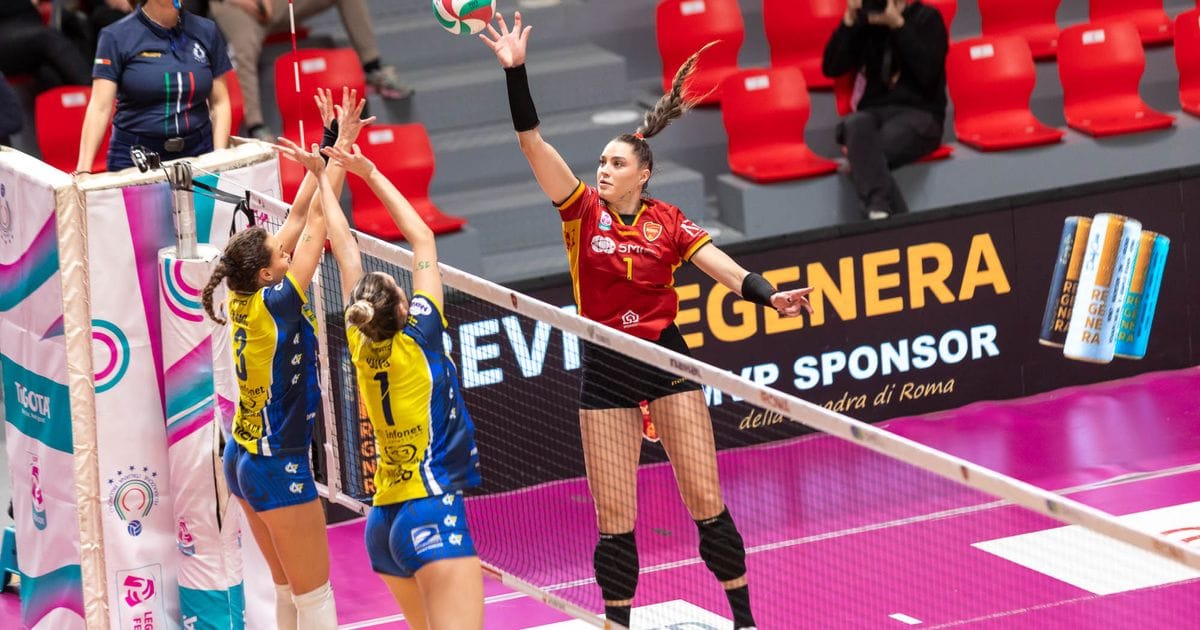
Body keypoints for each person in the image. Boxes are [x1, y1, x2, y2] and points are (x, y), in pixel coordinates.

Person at [480, 12, 814, 630]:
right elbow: (532, 143)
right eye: (601, 162)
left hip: (666, 362)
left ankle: (745, 621)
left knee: (706, 503)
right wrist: (515, 71)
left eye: (615, 163)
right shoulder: (580, 211)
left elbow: (722, 268)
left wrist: (772, 298)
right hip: (607, 371)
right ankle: (618, 623)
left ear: (643, 173)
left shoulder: (669, 221)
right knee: (615, 522)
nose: (603, 170)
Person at [301, 122, 485, 629]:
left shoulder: (360, 342)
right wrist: (368, 172)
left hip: (383, 525)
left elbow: (344, 248)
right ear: (405, 308)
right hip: (430, 508)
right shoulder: (421, 337)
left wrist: (326, 179)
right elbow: (421, 236)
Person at [200, 96, 347, 627]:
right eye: (279, 253)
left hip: (242, 457)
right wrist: (342, 151)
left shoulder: (243, 291)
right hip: (275, 462)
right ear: (267, 273)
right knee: (315, 597)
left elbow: (300, 215)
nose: (286, 250)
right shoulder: (279, 302)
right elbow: (318, 223)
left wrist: (327, 141)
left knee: (288, 590)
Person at [209, 0, 413, 142]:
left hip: (276, 5)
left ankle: (373, 67)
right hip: (234, 7)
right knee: (243, 48)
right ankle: (256, 126)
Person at [821, 0, 948, 220]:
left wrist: (898, 25)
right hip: (873, 114)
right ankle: (883, 213)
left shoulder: (928, 18)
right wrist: (849, 21)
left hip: (920, 113)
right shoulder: (867, 24)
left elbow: (928, 73)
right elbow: (832, 66)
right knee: (855, 124)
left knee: (864, 148)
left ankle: (880, 209)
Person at [75, 0, 233, 174]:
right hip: (137, 157)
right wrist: (83, 170)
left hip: (200, 151)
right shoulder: (115, 36)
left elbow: (220, 102)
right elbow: (100, 108)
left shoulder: (207, 30)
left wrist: (219, 155)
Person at [0, 0, 92, 89]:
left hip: (30, 26)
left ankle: (87, 89)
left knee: (75, 27)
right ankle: (94, 90)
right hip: (7, 33)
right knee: (47, 38)